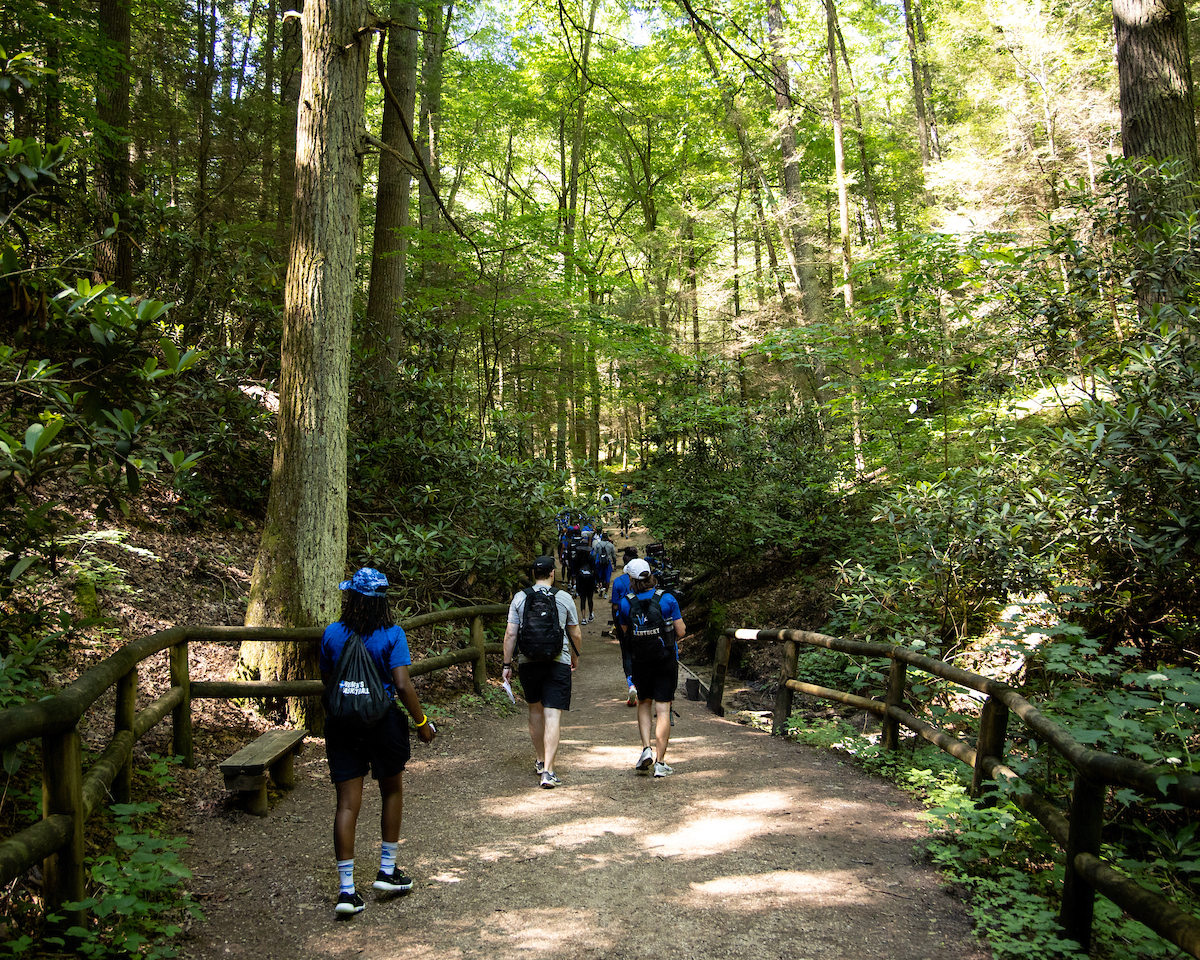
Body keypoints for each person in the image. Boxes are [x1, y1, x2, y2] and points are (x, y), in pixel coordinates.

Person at [319, 567, 437, 917]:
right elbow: (401, 684)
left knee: (346, 805)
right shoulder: (393, 634)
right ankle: (387, 870)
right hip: (382, 723)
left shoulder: (331, 634)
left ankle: (346, 890)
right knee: (392, 791)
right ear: (383, 602)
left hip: (341, 725)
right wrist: (422, 722)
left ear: (351, 598)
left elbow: (329, 682)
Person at [501, 556, 583, 788]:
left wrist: (507, 665)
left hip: (528, 661)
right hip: (558, 660)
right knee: (552, 714)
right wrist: (574, 657)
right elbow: (575, 633)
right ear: (552, 573)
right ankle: (549, 770)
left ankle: (539, 759)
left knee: (535, 710)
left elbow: (510, 634)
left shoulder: (520, 597)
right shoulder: (564, 597)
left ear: (533, 574)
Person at [619, 558, 686, 778]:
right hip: (665, 659)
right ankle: (661, 762)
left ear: (631, 579)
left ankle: (646, 748)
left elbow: (625, 629)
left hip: (640, 661)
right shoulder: (667, 599)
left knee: (644, 703)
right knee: (663, 709)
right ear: (651, 575)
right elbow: (681, 631)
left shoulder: (625, 602)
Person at [610, 547, 639, 706]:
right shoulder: (646, 581)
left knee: (627, 654)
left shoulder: (619, 581)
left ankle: (631, 684)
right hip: (644, 623)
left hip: (625, 623)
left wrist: (617, 627)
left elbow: (615, 607)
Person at [576, 554, 597, 624]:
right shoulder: (590, 557)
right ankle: (590, 614)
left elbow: (574, 569)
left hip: (581, 581)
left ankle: (583, 618)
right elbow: (594, 569)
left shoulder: (577, 557)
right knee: (590, 599)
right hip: (590, 581)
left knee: (582, 600)